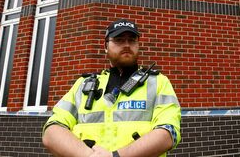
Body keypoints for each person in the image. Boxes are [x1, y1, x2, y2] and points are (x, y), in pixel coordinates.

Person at [42, 19, 181, 157]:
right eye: (119, 40)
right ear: (105, 46)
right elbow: (52, 130)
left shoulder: (158, 82)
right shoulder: (83, 84)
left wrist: (115, 156)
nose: (126, 45)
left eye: (132, 40)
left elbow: (169, 132)